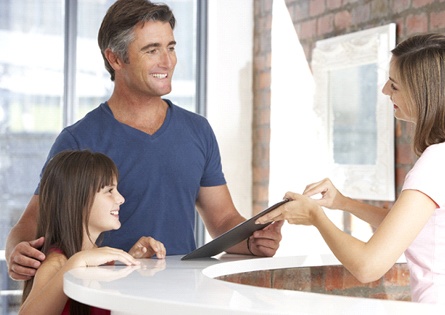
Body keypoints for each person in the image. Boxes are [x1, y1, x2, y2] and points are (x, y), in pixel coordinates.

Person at [6, 0, 283, 281]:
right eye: (152, 50)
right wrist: (17, 251)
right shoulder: (79, 139)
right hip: (106, 298)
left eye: (171, 47)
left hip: (183, 297)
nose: (168, 61)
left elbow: (223, 219)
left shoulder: (198, 130)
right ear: (115, 59)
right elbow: (32, 222)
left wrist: (251, 241)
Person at [256, 33, 445, 304]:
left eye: (394, 85)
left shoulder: (435, 162)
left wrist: (315, 217)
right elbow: (413, 226)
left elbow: (368, 266)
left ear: (423, 93)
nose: (384, 91)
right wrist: (343, 203)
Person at [18, 150, 166, 315]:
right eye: (109, 191)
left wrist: (132, 264)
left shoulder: (97, 257)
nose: (121, 199)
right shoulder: (56, 263)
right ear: (76, 200)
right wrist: (77, 261)